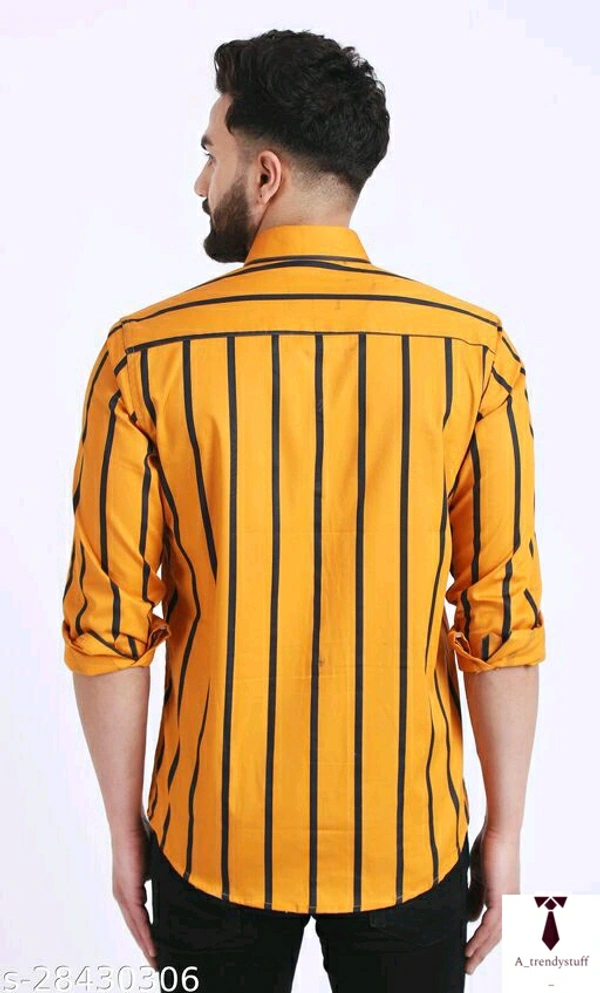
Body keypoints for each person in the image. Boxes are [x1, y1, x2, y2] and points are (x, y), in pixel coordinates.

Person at [61, 27, 546, 993]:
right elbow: (501, 621)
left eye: (212, 153)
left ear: (266, 174)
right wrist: (506, 832)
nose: (201, 182)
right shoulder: (474, 354)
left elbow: (106, 625)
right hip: (408, 836)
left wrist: (124, 834)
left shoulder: (142, 358)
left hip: (210, 836)